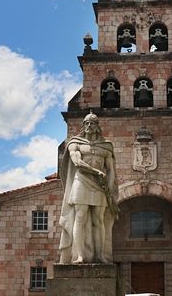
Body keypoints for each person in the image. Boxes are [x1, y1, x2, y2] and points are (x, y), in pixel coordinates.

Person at [58, 111, 118, 264]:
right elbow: (77, 163)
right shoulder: (75, 143)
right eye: (87, 123)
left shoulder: (106, 146)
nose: (89, 126)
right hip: (82, 181)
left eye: (93, 123)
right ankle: (79, 256)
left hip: (100, 186)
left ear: (98, 126)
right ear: (83, 126)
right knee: (80, 218)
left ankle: (100, 256)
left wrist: (109, 188)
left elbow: (111, 170)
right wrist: (96, 172)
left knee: (98, 220)